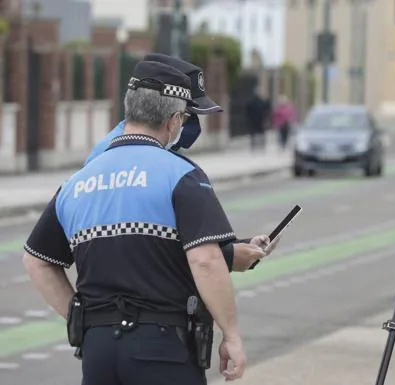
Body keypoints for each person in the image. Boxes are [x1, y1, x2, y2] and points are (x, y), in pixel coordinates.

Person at [22, 61, 246, 385]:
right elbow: (205, 259)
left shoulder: (76, 183)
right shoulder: (181, 175)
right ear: (172, 121)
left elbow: (37, 260)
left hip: (98, 351)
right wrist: (232, 334)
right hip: (164, 347)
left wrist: (80, 317)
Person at [85, 53, 274, 272]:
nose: (189, 124)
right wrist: (226, 256)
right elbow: (133, 242)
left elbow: (163, 232)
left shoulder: (152, 152)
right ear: (170, 113)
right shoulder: (116, 154)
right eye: (188, 115)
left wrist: (234, 248)